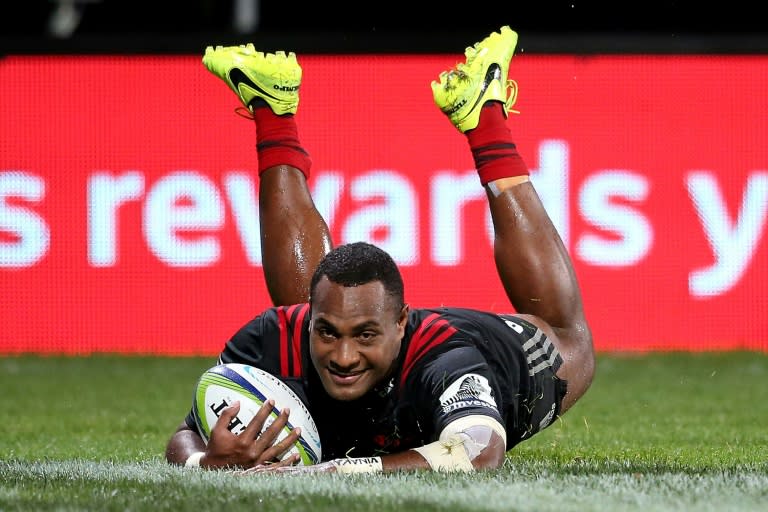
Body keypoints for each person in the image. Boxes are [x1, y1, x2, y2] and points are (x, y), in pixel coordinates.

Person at [165, 25, 595, 474]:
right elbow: (185, 434)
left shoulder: (448, 362)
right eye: (327, 332)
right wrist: (205, 460)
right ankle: (271, 109)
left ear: (401, 325)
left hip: (504, 353)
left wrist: (325, 473)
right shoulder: (271, 339)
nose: (344, 357)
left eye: (366, 336)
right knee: (314, 304)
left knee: (572, 340)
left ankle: (485, 118)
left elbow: (478, 453)